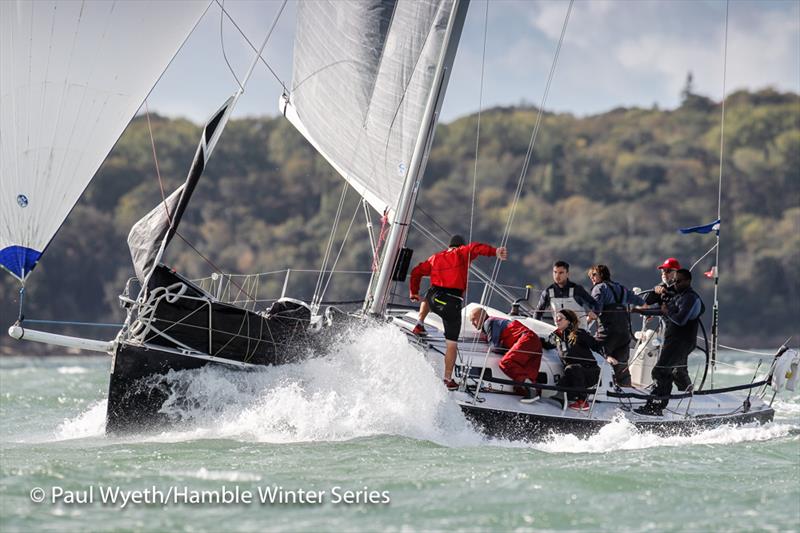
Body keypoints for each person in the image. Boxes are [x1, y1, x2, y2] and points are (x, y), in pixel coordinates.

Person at [409, 235, 508, 389]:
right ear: (460, 246)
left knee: (430, 292)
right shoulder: (461, 253)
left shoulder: (435, 258)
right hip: (451, 305)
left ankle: (419, 323)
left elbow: (416, 272)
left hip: (435, 300)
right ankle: (448, 379)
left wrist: (414, 292)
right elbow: (475, 247)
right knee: (451, 344)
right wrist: (495, 251)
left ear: (449, 246)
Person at [634, 268, 705, 416]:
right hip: (673, 340)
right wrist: (640, 311)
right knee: (665, 371)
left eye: (678, 281)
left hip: (683, 341)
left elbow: (680, 319)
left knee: (659, 371)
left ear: (688, 281)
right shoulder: (678, 296)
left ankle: (656, 407)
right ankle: (659, 403)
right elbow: (662, 310)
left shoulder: (691, 298)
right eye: (674, 281)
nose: (675, 284)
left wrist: (667, 312)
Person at [587, 264, 644, 387]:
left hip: (608, 333)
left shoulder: (599, 288)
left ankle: (598, 388)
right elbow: (640, 302)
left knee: (596, 353)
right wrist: (646, 311)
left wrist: (584, 322)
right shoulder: (622, 288)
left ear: (601, 275)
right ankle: (626, 392)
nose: (592, 278)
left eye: (593, 275)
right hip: (624, 333)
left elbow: (595, 310)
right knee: (622, 367)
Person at [469, 307, 542, 400]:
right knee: (526, 376)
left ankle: (531, 389)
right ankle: (536, 394)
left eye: (473, 320)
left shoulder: (488, 322)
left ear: (482, 316)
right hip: (534, 340)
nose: (472, 324)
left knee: (506, 362)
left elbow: (494, 346)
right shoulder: (495, 321)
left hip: (526, 339)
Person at [541, 309, 602, 410]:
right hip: (572, 374)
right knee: (559, 389)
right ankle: (563, 404)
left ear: (568, 321)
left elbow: (596, 346)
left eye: (560, 318)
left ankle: (583, 402)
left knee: (572, 368)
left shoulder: (579, 333)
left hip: (589, 372)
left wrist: (609, 356)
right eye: (556, 318)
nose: (557, 320)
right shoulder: (556, 337)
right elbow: (547, 344)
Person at [533, 260, 598, 329]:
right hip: (560, 334)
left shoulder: (577, 289)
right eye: (555, 272)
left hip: (580, 332)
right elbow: (538, 312)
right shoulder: (547, 292)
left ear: (567, 274)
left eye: (561, 273)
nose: (557, 276)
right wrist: (535, 329)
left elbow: (594, 304)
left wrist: (593, 313)